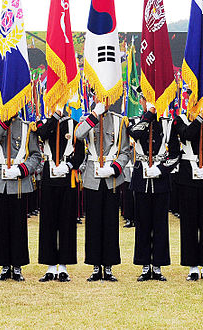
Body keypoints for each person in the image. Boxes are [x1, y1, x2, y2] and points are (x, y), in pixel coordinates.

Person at [74, 98, 131, 282]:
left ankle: (108, 266)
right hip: (93, 177)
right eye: (99, 97)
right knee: (93, 224)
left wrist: (114, 168)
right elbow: (80, 135)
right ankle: (95, 266)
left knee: (110, 223)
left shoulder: (119, 120)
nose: (102, 101)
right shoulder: (87, 118)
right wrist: (95, 115)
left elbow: (125, 152)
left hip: (111, 177)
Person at [0, 111, 42, 282]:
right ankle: (4, 265)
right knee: (1, 226)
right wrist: (5, 121)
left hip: (19, 182)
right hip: (1, 182)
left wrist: (21, 170)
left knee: (19, 226)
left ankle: (17, 266)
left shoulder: (26, 127)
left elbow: (35, 155)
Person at [128, 97, 178, 282]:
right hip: (141, 177)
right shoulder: (136, 121)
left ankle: (157, 265)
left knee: (159, 224)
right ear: (141, 102)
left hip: (160, 178)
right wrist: (148, 115)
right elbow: (134, 133)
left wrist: (160, 169)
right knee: (142, 224)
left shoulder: (167, 123)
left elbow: (174, 154)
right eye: (145, 100)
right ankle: (144, 264)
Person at [35, 106, 86, 282]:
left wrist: (70, 165)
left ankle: (63, 266)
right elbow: (43, 134)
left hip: (66, 176)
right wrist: (55, 116)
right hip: (49, 174)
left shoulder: (74, 124)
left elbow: (80, 153)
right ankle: (50, 266)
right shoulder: (44, 123)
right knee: (48, 221)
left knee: (66, 221)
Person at [175, 110, 203, 282]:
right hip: (187, 175)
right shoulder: (180, 119)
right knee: (189, 223)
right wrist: (199, 117)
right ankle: (192, 266)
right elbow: (188, 134)